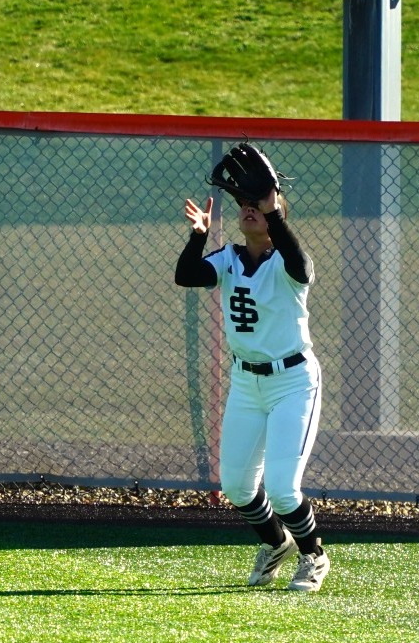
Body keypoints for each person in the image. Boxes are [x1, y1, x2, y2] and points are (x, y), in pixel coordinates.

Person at [174, 180, 330, 592]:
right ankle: (276, 544)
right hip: (246, 382)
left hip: (293, 382)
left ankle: (314, 555)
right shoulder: (228, 258)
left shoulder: (290, 262)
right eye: (243, 204)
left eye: (257, 205)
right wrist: (199, 236)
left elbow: (300, 264)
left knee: (281, 488)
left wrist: (273, 208)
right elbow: (186, 275)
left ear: (276, 215)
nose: (248, 209)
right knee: (237, 487)